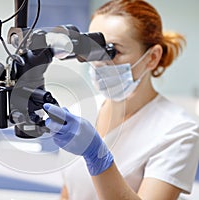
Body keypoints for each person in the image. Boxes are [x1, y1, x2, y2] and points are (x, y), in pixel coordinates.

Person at [43, 0, 199, 199]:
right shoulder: (82, 110)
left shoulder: (178, 131)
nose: (99, 62)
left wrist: (97, 156)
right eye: (93, 49)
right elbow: (70, 192)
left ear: (152, 57)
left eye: (112, 51)